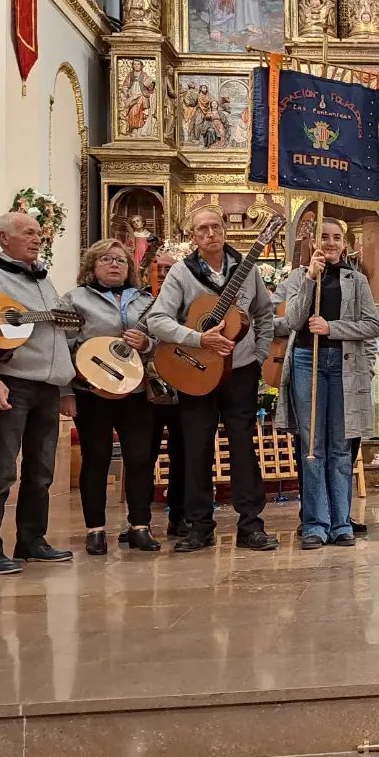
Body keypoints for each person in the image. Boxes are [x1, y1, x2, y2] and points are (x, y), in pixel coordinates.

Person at [147, 206, 275, 553]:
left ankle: (251, 525)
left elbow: (264, 313)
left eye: (215, 227)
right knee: (196, 449)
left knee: (243, 448)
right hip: (196, 371)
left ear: (225, 231)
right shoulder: (182, 274)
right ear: (193, 237)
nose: (210, 233)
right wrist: (197, 339)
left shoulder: (245, 269)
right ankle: (199, 526)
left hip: (241, 372)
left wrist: (259, 353)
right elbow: (157, 320)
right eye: (202, 229)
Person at [0, 212, 77, 574]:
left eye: (38, 234)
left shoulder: (43, 280)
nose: (36, 239)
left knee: (41, 470)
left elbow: (57, 335)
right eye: (28, 233)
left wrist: (64, 386)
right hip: (11, 382)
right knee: (0, 472)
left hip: (46, 388)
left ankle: (31, 540)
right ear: (3, 237)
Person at [277, 217, 379, 549]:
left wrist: (332, 328)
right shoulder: (298, 277)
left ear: (346, 245)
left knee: (340, 446)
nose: (331, 242)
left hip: (343, 365)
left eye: (337, 237)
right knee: (312, 446)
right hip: (308, 361)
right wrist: (310, 278)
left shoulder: (357, 280)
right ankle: (315, 523)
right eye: (325, 236)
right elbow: (293, 321)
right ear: (314, 242)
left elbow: (371, 326)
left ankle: (341, 522)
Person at [61, 239, 160, 556]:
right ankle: (95, 530)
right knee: (96, 457)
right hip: (91, 391)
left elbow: (162, 341)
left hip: (135, 389)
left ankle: (140, 526)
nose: (115, 264)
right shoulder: (74, 299)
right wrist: (66, 388)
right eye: (106, 259)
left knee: (140, 457)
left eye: (120, 259)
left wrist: (145, 343)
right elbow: (62, 346)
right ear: (92, 265)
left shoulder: (145, 301)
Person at [146, 247, 188, 537]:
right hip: (146, 388)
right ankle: (139, 520)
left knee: (183, 453)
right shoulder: (138, 300)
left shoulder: (187, 300)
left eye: (169, 268)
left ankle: (180, 516)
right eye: (158, 267)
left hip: (183, 384)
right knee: (143, 454)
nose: (163, 273)